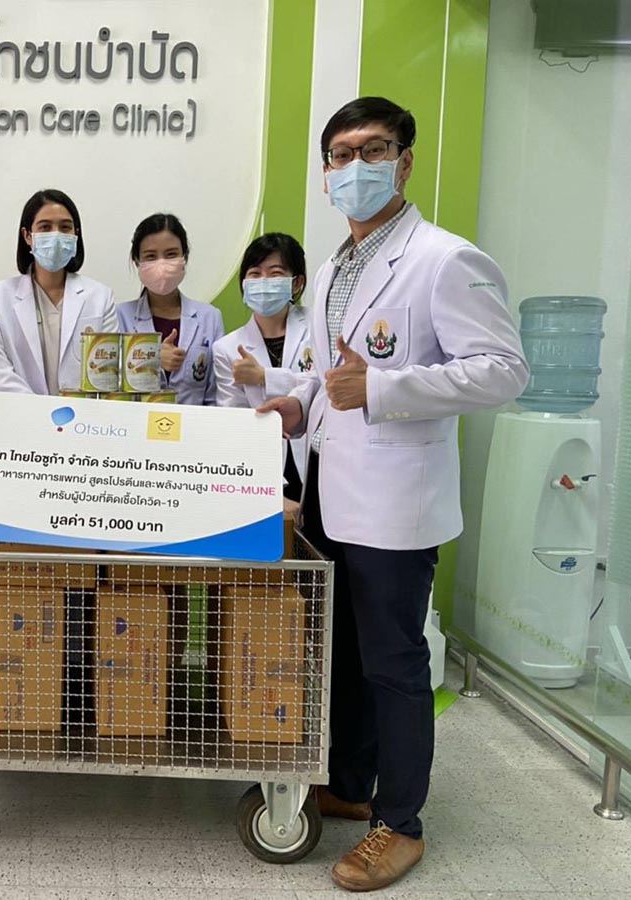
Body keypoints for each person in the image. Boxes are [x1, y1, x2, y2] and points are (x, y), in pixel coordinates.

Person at [258, 97, 528, 892]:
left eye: (372, 150)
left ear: (404, 162)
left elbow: (503, 371)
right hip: (333, 495)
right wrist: (297, 405)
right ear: (326, 173)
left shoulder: (445, 260)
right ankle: (349, 783)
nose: (354, 167)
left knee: (396, 665)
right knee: (341, 655)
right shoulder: (334, 266)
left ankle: (400, 824)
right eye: (340, 155)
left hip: (395, 505)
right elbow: (328, 373)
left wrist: (384, 388)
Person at [0, 188, 118, 394]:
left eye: (65, 227)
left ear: (75, 235)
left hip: (82, 412)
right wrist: (39, 411)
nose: (56, 235)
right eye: (45, 227)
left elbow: (106, 372)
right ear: (27, 236)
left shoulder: (100, 297)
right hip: (22, 410)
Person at [214, 232, 313, 500]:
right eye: (255, 274)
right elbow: (234, 418)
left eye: (275, 273)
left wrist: (264, 377)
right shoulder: (227, 348)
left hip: (317, 460)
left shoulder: (318, 327)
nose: (263, 281)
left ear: (296, 283)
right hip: (261, 466)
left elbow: (321, 386)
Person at [117, 213, 223, 405]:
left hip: (193, 423)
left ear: (185, 257)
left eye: (171, 254)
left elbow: (215, 394)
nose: (162, 264)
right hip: (136, 422)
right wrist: (152, 359)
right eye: (151, 256)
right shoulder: (119, 316)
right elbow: (107, 385)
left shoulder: (210, 317)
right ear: (137, 261)